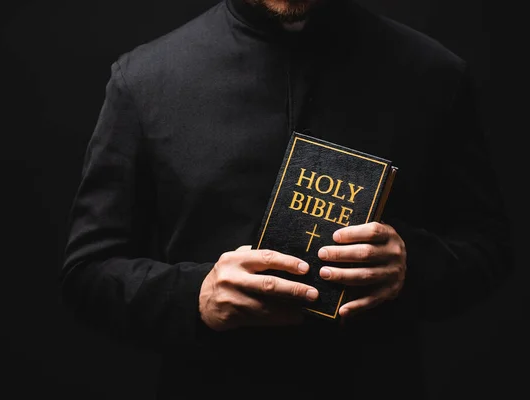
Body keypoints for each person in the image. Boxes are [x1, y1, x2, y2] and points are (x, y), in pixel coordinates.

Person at [60, 0, 512, 399]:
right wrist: (193, 296)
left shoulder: (433, 73)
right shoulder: (143, 80)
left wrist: (412, 266)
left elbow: (489, 248)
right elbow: (88, 272)